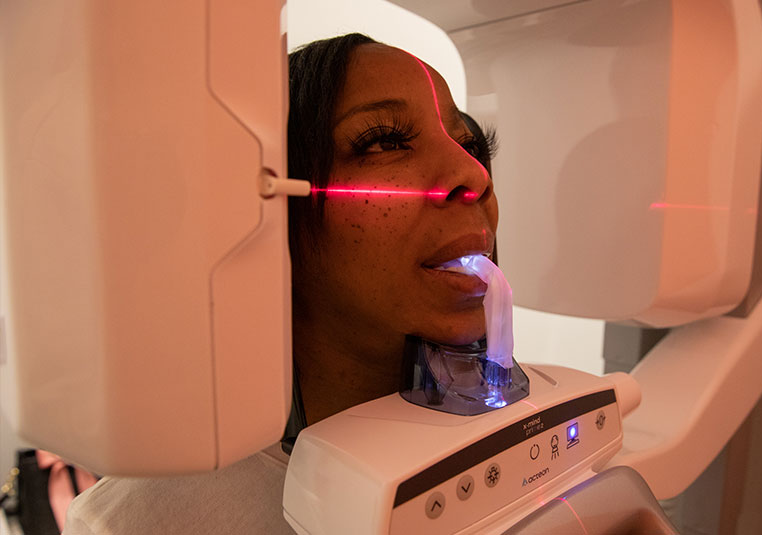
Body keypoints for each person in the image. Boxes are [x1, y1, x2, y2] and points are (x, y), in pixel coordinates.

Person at [64, 33, 498, 534]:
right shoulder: (140, 522)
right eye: (384, 140)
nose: (474, 174)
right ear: (268, 208)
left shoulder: (547, 429)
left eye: (470, 144)